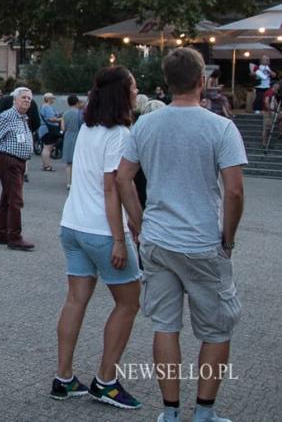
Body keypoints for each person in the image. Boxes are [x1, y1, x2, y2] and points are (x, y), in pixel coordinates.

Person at [116, 48, 246, 422]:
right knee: (217, 329)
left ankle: (170, 412)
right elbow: (235, 191)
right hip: (203, 242)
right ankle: (204, 412)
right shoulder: (220, 127)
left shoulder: (146, 125)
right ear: (202, 81)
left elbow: (123, 178)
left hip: (158, 240)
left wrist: (139, 224)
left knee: (165, 326)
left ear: (167, 82)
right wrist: (228, 237)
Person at [52, 66, 142, 409]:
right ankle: (105, 381)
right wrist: (122, 236)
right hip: (102, 231)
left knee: (76, 300)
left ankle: (64, 378)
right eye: (134, 87)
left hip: (72, 224)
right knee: (129, 302)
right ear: (123, 93)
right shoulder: (119, 133)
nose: (137, 91)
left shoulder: (88, 128)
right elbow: (114, 186)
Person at [0, 87, 35, 250]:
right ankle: (14, 237)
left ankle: (2, 233)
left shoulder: (23, 118)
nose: (27, 101)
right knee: (15, 199)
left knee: (7, 198)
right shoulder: (8, 115)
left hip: (18, 161)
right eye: (24, 98)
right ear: (15, 100)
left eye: (29, 98)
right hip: (9, 160)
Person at [61, 95, 85, 191]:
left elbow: (63, 128)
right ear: (77, 102)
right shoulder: (80, 114)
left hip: (68, 137)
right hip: (78, 137)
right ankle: (76, 183)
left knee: (68, 163)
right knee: (78, 162)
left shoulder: (65, 114)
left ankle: (68, 183)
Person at [38, 93, 62, 171]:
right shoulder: (47, 107)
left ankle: (45, 164)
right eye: (52, 98)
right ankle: (47, 166)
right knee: (47, 148)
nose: (53, 99)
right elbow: (51, 118)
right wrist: (60, 119)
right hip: (48, 129)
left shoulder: (43, 106)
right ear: (48, 99)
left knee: (46, 147)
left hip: (44, 129)